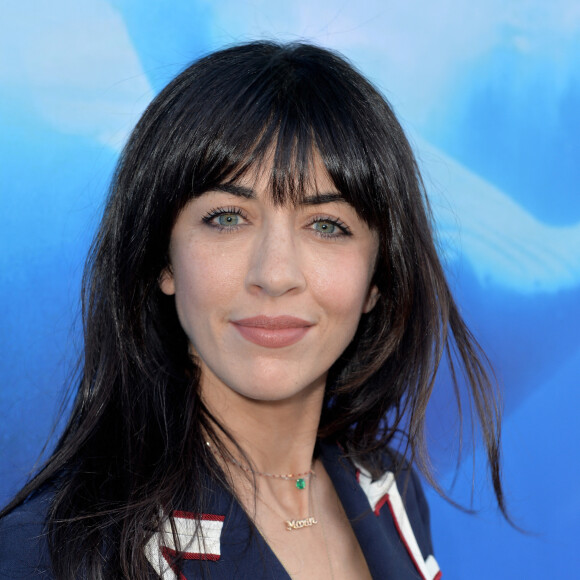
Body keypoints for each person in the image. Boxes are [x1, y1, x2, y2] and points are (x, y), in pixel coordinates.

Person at [0, 41, 506, 579]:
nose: (275, 274)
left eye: (327, 225)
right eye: (226, 218)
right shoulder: (53, 555)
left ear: (377, 280)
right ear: (162, 260)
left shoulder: (390, 493)